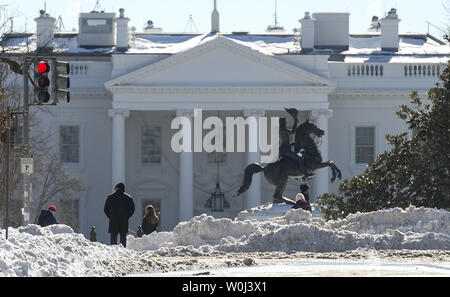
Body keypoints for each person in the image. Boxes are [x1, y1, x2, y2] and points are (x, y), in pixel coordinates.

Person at [104, 183, 135, 248]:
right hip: (124, 220)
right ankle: (123, 250)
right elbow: (132, 209)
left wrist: (110, 217)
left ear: (117, 188)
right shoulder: (128, 197)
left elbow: (106, 209)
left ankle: (113, 251)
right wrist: (127, 216)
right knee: (123, 238)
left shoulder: (111, 197)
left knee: (113, 238)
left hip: (113, 220)